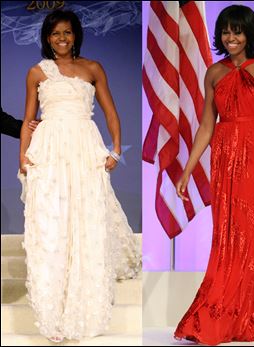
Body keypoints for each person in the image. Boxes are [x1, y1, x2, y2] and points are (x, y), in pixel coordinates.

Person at [174, 5, 254, 345]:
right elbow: (205, 126)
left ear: (250, 34)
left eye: (238, 31)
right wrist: (188, 169)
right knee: (229, 237)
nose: (231, 38)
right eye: (226, 31)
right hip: (225, 159)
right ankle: (224, 310)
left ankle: (250, 313)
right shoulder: (213, 72)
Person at [18, 9, 141, 343]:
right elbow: (29, 119)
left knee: (85, 222)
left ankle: (82, 307)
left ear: (76, 35)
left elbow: (111, 112)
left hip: (85, 149)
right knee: (52, 226)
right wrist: (23, 159)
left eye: (67, 33)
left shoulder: (93, 68)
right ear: (46, 38)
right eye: (55, 34)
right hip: (50, 151)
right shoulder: (36, 73)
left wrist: (115, 150)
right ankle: (52, 313)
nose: (62, 39)